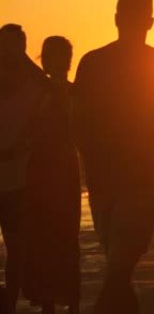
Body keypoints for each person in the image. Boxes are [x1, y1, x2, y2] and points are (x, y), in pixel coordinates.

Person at [72, 0, 154, 314]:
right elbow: (79, 124)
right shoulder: (92, 62)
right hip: (106, 180)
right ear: (118, 19)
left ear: (149, 22)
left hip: (143, 178)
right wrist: (89, 172)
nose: (133, 23)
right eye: (129, 16)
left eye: (137, 17)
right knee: (119, 268)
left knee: (118, 268)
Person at [23, 36, 81, 314]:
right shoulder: (40, 92)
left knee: (62, 237)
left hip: (59, 170)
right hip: (44, 170)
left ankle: (67, 302)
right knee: (48, 237)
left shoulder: (69, 93)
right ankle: (53, 302)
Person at [0, 24, 50, 314]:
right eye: (1, 48)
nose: (5, 54)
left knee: (16, 251)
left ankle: (10, 304)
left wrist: (24, 59)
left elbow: (47, 86)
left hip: (18, 184)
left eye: (11, 48)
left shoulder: (33, 85)